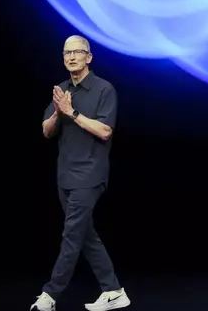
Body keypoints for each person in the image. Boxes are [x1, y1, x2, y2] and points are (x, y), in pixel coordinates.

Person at [31, 35, 130, 311]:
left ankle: (49, 296)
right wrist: (56, 114)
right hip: (65, 176)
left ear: (89, 57)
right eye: (66, 53)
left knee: (72, 236)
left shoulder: (104, 89)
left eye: (77, 52)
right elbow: (47, 132)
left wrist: (72, 112)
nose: (71, 57)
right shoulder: (61, 90)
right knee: (84, 234)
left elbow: (105, 130)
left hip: (90, 175)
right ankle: (114, 291)